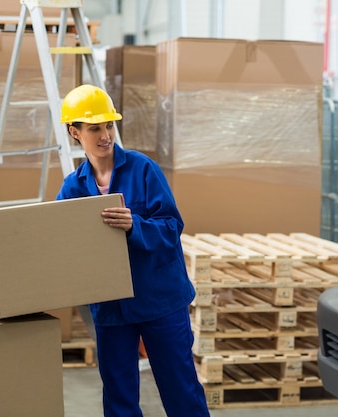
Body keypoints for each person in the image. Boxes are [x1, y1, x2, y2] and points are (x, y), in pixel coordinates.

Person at [57, 84, 211, 417]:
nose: (105, 135)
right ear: (75, 132)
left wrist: (134, 226)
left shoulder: (144, 171)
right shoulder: (72, 187)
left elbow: (172, 228)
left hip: (160, 301)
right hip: (112, 308)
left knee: (181, 389)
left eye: (109, 125)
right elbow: (64, 245)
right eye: (95, 128)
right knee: (119, 396)